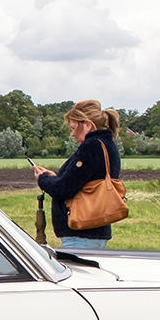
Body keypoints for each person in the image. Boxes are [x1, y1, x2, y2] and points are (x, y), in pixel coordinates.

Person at [33, 99, 122, 250]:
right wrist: (55, 177)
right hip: (95, 230)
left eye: (74, 127)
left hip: (81, 232)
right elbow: (79, 181)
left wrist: (43, 179)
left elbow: (64, 188)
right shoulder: (107, 144)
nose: (72, 134)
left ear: (87, 124)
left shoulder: (91, 147)